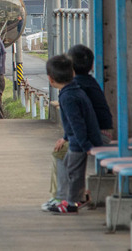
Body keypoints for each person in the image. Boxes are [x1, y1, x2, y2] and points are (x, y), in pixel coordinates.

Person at [44, 54, 103, 214]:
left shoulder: (68, 97)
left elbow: (78, 125)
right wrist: (65, 138)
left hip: (80, 141)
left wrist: (85, 146)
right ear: (73, 74)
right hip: (77, 138)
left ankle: (70, 204)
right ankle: (73, 198)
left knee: (74, 173)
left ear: (50, 79)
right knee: (70, 166)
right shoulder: (72, 90)